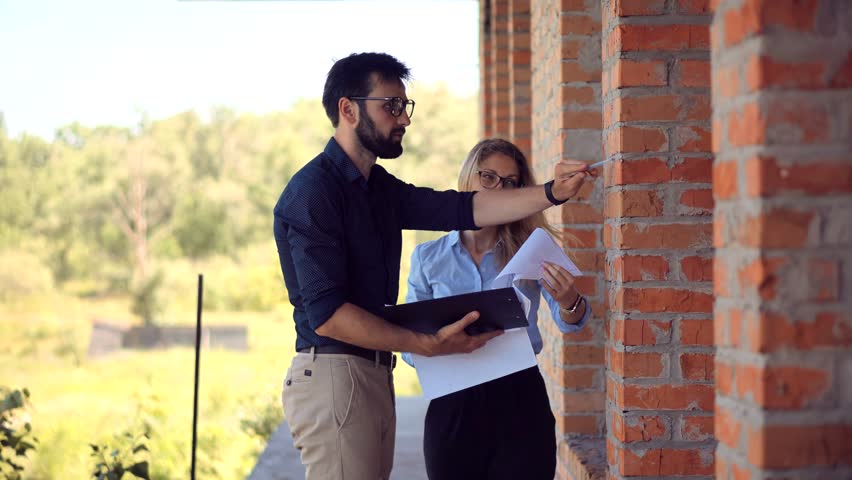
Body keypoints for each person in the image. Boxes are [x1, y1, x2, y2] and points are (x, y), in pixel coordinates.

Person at [273, 52, 590, 480]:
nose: (403, 118)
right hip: (336, 372)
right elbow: (327, 315)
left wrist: (552, 192)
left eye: (404, 106)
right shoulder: (313, 191)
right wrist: (423, 344)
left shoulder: (377, 188)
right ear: (348, 109)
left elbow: (457, 208)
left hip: (373, 374)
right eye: (391, 105)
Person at [402, 138, 592, 480]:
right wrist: (438, 342)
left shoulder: (531, 249)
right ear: (469, 179)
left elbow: (572, 323)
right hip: (453, 403)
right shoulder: (427, 259)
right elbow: (409, 347)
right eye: (488, 177)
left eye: (510, 183)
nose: (498, 189)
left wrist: (570, 301)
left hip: (519, 400)